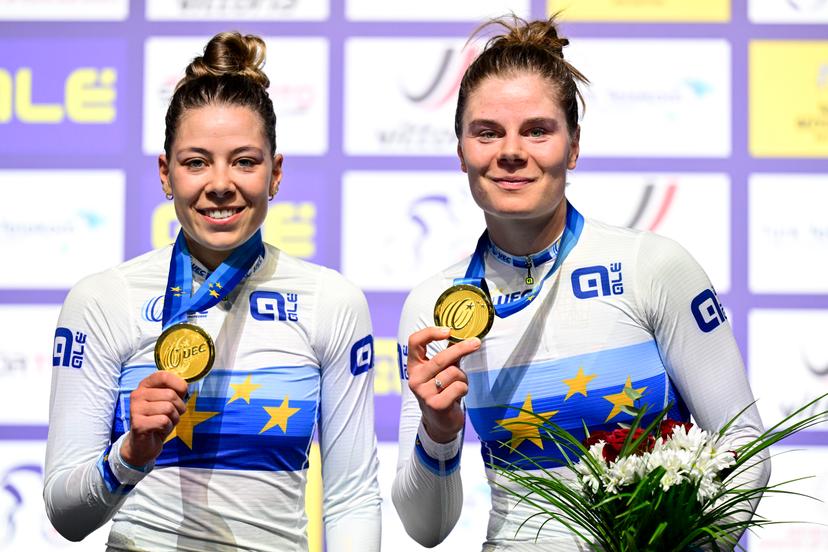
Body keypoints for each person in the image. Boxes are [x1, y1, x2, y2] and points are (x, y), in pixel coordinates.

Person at [392, 15, 769, 551]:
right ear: (460, 152)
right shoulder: (435, 307)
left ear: (572, 147)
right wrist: (439, 430)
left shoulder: (652, 267)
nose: (511, 151)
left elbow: (746, 448)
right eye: (488, 132)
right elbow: (426, 529)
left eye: (537, 130)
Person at [44, 31, 381, 551]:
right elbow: (66, 516)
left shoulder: (331, 301)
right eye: (196, 162)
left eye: (244, 161)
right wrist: (129, 455)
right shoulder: (102, 300)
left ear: (275, 174)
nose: (220, 184)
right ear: (165, 174)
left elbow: (351, 498)